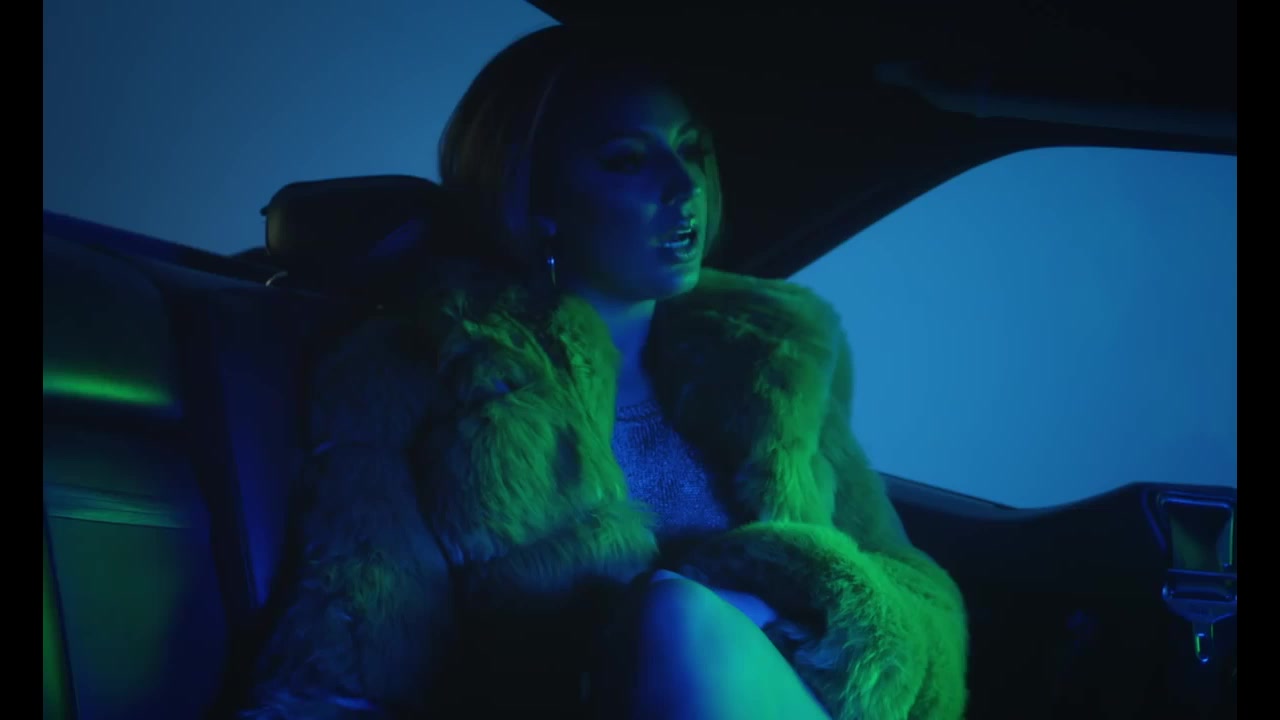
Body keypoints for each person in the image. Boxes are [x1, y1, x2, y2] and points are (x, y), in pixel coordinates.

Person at [240, 24, 968, 720]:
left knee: (684, 617)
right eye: (628, 161)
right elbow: (356, 651)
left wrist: (767, 599)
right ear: (540, 202)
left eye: (692, 150)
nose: (684, 186)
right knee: (675, 618)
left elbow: (911, 599)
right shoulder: (425, 368)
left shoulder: (776, 366)